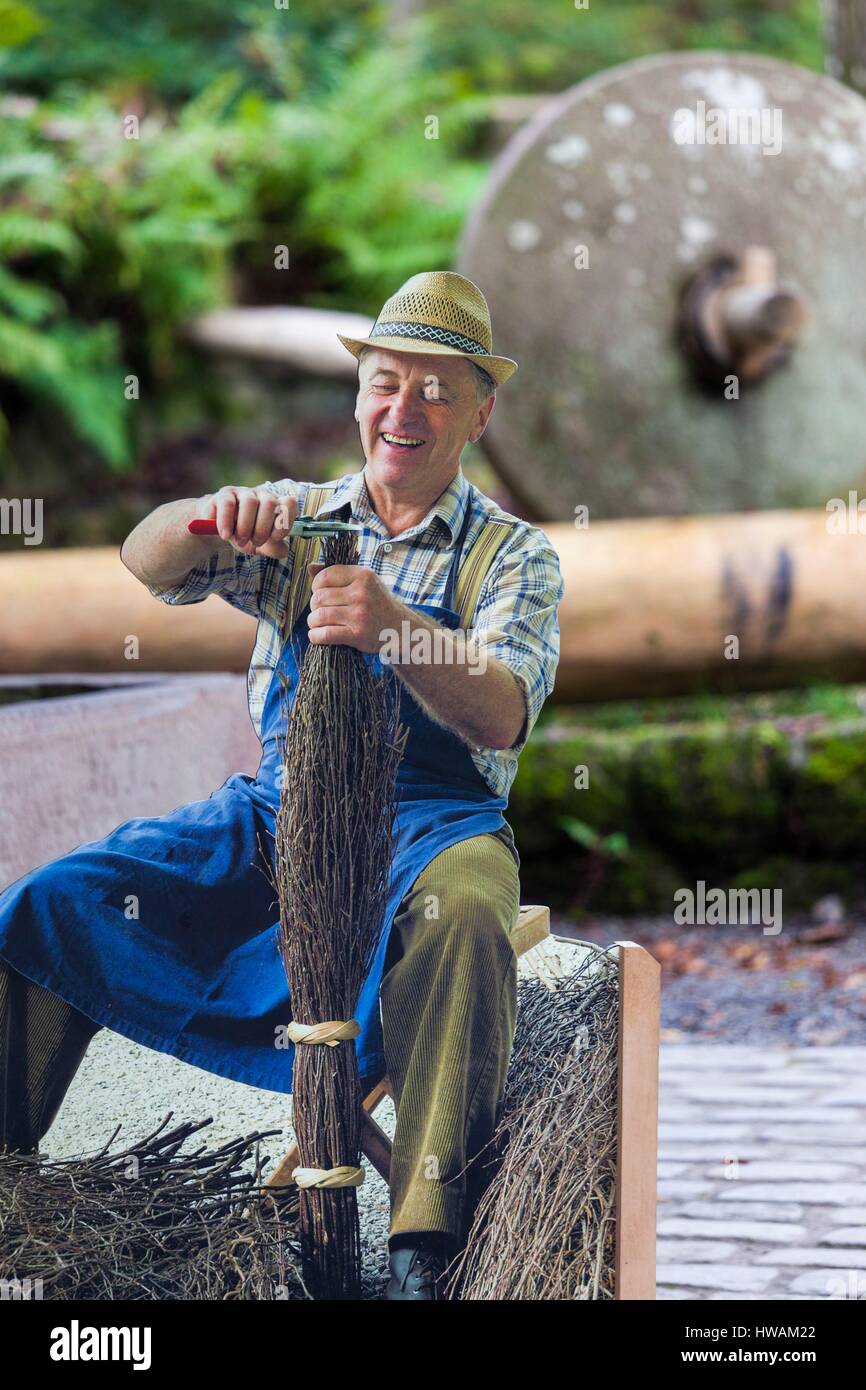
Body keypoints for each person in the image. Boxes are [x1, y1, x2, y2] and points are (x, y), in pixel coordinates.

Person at [0, 271, 563, 1300]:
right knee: (49, 902)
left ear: (481, 411)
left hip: (426, 827)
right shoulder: (303, 518)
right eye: (385, 383)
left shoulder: (511, 556)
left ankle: (418, 1249)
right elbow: (147, 560)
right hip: (277, 813)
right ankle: (6, 1189)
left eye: (436, 390)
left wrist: (393, 624)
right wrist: (210, 515)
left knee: (467, 917)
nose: (404, 411)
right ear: (358, 398)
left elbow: (500, 710)